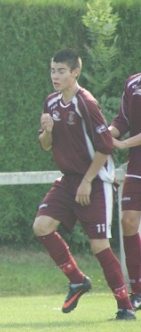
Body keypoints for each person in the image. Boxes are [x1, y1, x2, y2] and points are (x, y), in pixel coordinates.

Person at [34, 49, 134, 320]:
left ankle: (125, 306)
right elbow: (45, 145)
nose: (55, 76)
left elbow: (105, 148)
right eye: (53, 70)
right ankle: (78, 280)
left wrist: (87, 182)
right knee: (41, 226)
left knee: (99, 245)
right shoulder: (51, 102)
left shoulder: (86, 103)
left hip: (96, 179)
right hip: (68, 179)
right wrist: (48, 130)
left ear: (75, 72)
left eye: (61, 71)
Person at [108, 72, 141, 309]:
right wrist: (103, 134)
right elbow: (122, 121)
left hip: (131, 151)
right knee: (128, 221)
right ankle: (138, 290)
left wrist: (122, 144)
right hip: (137, 166)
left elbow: (124, 138)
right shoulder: (132, 82)